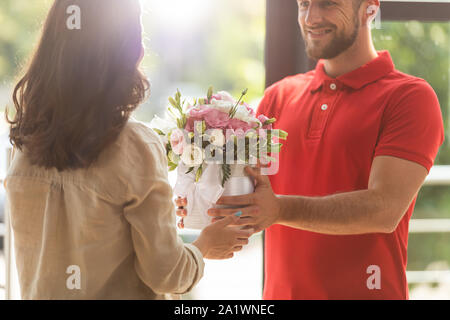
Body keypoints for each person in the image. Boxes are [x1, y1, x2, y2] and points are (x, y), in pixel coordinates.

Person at [177, 0, 445, 299]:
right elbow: (250, 200)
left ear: (369, 7)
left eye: (328, 3)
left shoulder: (409, 97)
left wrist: (280, 209)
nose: (311, 17)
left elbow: (384, 209)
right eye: (304, 3)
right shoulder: (277, 97)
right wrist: (201, 202)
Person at [4, 0, 252, 300]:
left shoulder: (24, 144)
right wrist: (205, 245)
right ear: (130, 53)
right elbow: (166, 273)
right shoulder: (134, 144)